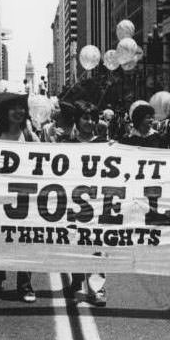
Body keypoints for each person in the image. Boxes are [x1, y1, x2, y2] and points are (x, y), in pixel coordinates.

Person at [0, 84, 38, 303]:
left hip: (24, 198)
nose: (18, 111)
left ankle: (25, 285)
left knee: (25, 242)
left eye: (21, 107)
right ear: (4, 112)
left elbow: (45, 157)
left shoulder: (29, 134)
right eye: (13, 108)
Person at [60, 100, 108, 306]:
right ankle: (78, 278)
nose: (89, 122)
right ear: (77, 120)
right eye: (85, 118)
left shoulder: (104, 143)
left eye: (92, 118)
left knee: (97, 244)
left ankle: (96, 289)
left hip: (97, 201)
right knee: (75, 241)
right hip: (73, 202)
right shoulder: (66, 143)